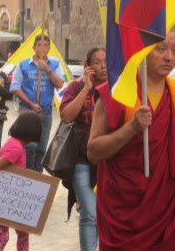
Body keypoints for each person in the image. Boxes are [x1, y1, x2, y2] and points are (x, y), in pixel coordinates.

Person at [88, 32, 175, 250]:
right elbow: (94, 151)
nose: (169, 57)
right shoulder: (114, 91)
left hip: (165, 207)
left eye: (174, 50)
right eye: (161, 49)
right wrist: (132, 127)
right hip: (122, 209)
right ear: (142, 51)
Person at [59, 47, 106, 251]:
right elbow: (66, 116)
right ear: (88, 67)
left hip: (107, 162)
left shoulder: (115, 88)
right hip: (81, 162)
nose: (103, 65)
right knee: (91, 214)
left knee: (103, 214)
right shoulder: (75, 87)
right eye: (97, 61)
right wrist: (86, 88)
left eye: (106, 61)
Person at [10, 34, 65, 172]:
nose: (42, 48)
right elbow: (15, 87)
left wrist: (47, 69)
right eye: (39, 45)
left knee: (41, 148)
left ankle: (37, 178)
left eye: (45, 45)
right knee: (29, 146)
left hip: (45, 112)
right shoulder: (23, 65)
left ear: (49, 48)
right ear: (34, 47)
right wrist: (31, 103)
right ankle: (27, 174)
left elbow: (59, 84)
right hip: (27, 110)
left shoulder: (54, 64)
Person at [0, 111, 42, 251]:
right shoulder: (16, 148)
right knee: (3, 237)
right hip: (2, 201)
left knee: (23, 233)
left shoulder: (15, 144)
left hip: (11, 203)